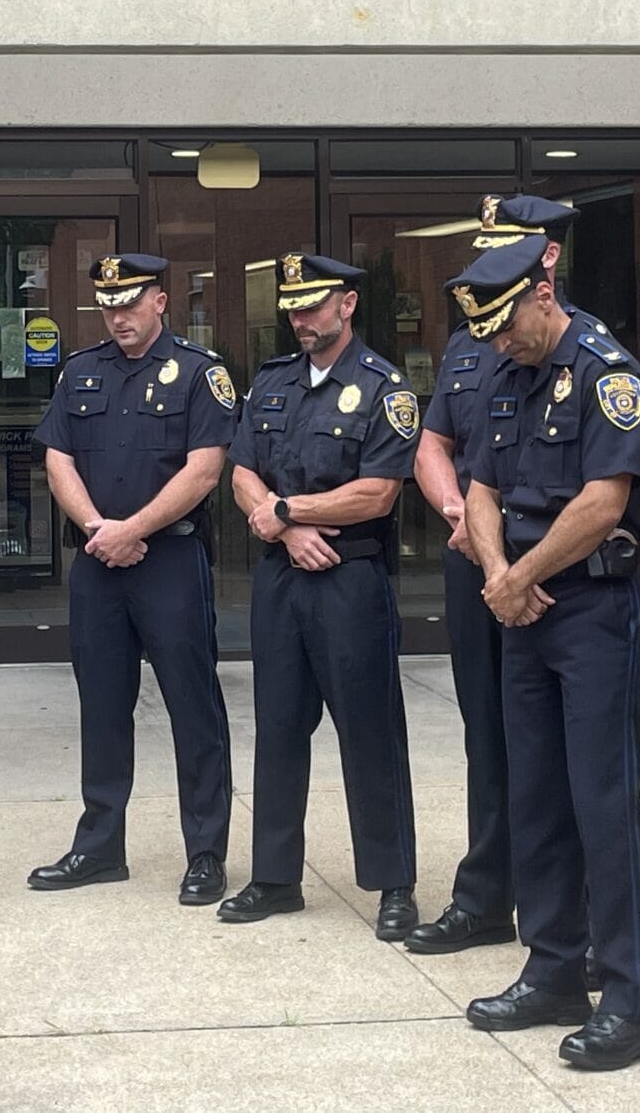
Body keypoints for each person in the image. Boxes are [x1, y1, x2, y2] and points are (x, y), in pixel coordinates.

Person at [450, 237, 640, 1071]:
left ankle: (631, 1000)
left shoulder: (608, 374)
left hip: (593, 610)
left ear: (545, 290)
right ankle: (551, 972)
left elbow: (605, 500)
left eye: (508, 325)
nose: (500, 342)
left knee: (603, 805)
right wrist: (503, 574)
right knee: (534, 795)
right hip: (524, 608)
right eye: (489, 332)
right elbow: (480, 487)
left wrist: (523, 574)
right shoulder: (506, 373)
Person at [217, 254, 421, 940]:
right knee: (276, 728)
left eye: (313, 305)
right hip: (282, 576)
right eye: (293, 308)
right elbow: (241, 470)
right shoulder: (272, 382)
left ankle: (393, 884)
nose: (301, 319)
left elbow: (378, 492)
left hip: (348, 577)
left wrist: (286, 512)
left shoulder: (384, 388)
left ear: (348, 304)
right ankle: (274, 878)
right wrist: (283, 523)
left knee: (370, 733)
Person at [28, 253, 235, 906]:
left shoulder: (201, 375)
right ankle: (98, 846)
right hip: (98, 562)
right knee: (102, 706)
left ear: (161, 301)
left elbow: (204, 470)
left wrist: (133, 528)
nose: (117, 315)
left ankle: (205, 852)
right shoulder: (79, 372)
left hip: (169, 561)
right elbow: (57, 460)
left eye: (130, 302)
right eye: (108, 304)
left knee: (193, 707)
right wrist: (98, 529)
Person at [407, 195, 580, 956]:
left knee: (564, 750)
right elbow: (433, 442)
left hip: (552, 576)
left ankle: (575, 914)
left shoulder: (573, 346)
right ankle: (485, 897)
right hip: (474, 562)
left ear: (546, 259)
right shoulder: (470, 343)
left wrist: (515, 557)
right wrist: (459, 516)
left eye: (501, 250)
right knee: (489, 733)